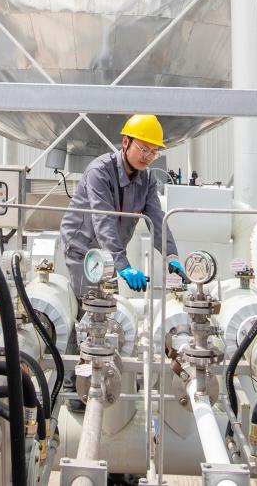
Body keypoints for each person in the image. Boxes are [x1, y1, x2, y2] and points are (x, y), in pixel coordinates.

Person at [58, 114, 187, 408]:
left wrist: (172, 256)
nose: (148, 156)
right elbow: (103, 219)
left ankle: (98, 373)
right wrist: (122, 264)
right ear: (125, 142)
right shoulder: (99, 171)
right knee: (89, 311)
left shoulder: (147, 180)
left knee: (101, 311)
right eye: (143, 148)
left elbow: (157, 219)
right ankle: (72, 387)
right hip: (84, 250)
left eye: (154, 151)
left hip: (111, 253)